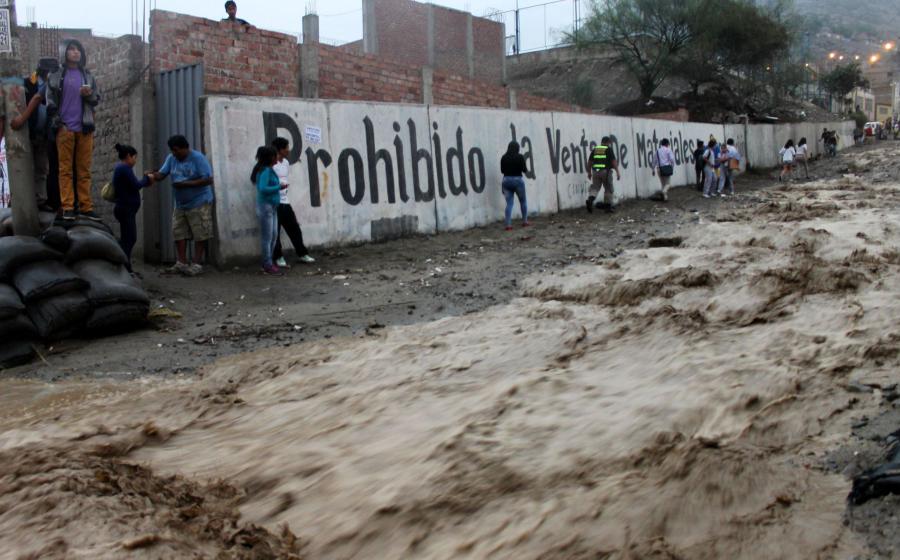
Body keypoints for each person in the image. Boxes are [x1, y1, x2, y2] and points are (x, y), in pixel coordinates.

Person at [46, 40, 101, 221]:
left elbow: (96, 99)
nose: (75, 53)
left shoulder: (88, 76)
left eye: (78, 49)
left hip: (85, 127)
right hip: (65, 128)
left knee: (84, 170)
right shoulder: (55, 75)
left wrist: (90, 94)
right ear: (64, 52)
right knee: (65, 170)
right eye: (71, 49)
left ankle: (86, 207)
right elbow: (50, 102)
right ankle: (68, 206)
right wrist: (59, 123)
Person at [149, 135, 214, 276]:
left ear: (185, 148)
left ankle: (196, 264)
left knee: (200, 233)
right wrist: (153, 176)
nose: (174, 153)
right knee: (178, 232)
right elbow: (162, 174)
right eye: (172, 151)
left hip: (199, 201)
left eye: (177, 150)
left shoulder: (198, 158)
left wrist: (185, 184)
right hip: (180, 204)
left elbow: (208, 179)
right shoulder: (171, 159)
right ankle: (181, 263)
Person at [0, 58, 59, 212]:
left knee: (41, 168)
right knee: (24, 168)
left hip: (44, 134)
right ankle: (20, 199)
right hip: (27, 133)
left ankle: (40, 199)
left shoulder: (54, 85)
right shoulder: (27, 83)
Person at [271, 137, 315, 268]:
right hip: (274, 203)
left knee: (294, 228)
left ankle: (302, 254)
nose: (288, 150)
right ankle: (278, 257)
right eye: (286, 148)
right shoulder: (271, 164)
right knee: (276, 233)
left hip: (285, 201)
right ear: (280, 149)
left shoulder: (285, 163)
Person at [112, 143, 155, 273]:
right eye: (135, 157)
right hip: (126, 209)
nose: (135, 161)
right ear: (129, 156)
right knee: (130, 238)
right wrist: (147, 179)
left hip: (125, 209)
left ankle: (126, 265)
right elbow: (136, 185)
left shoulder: (122, 168)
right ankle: (122, 264)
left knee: (127, 238)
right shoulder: (124, 168)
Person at [252, 146, 282, 275]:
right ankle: (267, 264)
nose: (277, 158)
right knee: (268, 237)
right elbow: (263, 188)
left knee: (274, 235)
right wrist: (279, 187)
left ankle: (268, 262)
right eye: (276, 155)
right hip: (266, 206)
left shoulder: (268, 170)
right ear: (270, 157)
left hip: (272, 206)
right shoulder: (265, 171)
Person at [500, 141, 529, 230]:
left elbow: (502, 171)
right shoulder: (520, 157)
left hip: (506, 181)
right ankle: (525, 221)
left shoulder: (503, 157)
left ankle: (508, 225)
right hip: (517, 181)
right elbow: (524, 170)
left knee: (509, 203)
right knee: (523, 201)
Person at [587, 136, 620, 213]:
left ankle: (590, 200)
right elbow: (614, 162)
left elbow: (589, 163)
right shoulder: (608, 150)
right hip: (606, 172)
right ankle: (608, 207)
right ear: (608, 142)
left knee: (595, 188)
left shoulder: (595, 149)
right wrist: (617, 172)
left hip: (595, 172)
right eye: (609, 143)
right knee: (608, 188)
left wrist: (589, 172)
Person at [653, 138, 676, 202]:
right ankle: (663, 192)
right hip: (666, 168)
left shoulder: (657, 151)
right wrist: (672, 167)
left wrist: (653, 169)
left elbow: (654, 160)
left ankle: (665, 198)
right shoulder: (668, 150)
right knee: (668, 184)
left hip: (659, 168)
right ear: (667, 144)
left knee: (663, 184)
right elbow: (672, 159)